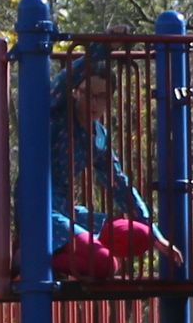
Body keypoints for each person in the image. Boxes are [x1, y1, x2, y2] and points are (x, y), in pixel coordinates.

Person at [49, 53, 164, 281]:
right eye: (88, 94)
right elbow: (62, 81)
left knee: (141, 235)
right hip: (43, 211)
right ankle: (28, 260)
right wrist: (101, 47)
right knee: (106, 264)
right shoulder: (59, 118)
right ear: (76, 92)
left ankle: (62, 256)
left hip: (68, 211)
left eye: (101, 97)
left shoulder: (98, 136)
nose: (93, 104)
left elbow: (118, 182)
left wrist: (156, 233)